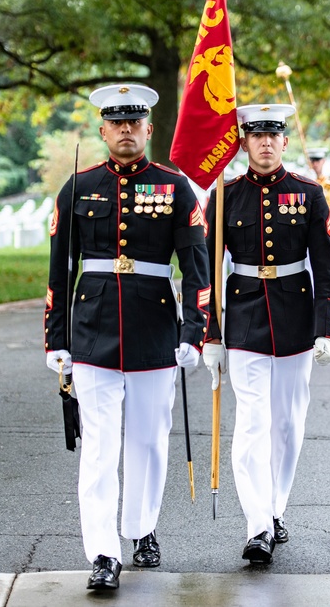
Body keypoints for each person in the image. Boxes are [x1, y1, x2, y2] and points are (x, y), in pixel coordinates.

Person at [44, 84, 211, 591]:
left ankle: (141, 530)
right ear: (102, 130)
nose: (124, 130)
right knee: (98, 448)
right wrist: (56, 338)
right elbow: (60, 269)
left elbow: (196, 265)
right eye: (115, 123)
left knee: (147, 441)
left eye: (133, 122)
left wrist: (194, 330)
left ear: (148, 130)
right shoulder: (77, 187)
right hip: (93, 331)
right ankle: (102, 552)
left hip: (155, 330)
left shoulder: (175, 187)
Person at [202, 103, 330, 565]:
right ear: (243, 142)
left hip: (296, 317)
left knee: (287, 425)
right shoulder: (224, 195)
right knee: (252, 423)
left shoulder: (308, 193)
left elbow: (325, 265)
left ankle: (276, 505)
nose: (264, 143)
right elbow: (206, 272)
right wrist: (211, 335)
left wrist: (327, 328)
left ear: (284, 141)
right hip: (242, 317)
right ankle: (257, 524)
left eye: (272, 135)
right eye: (255, 135)